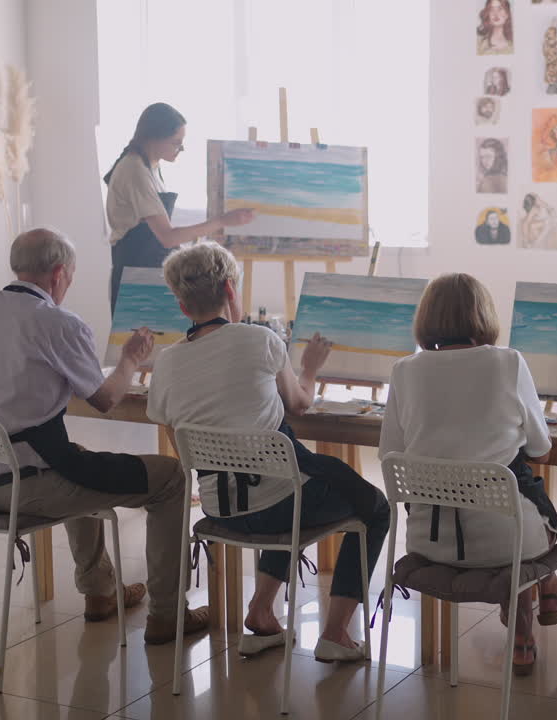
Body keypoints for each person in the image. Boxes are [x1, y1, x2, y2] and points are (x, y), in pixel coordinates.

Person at [0, 228, 209, 644]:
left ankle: (100, 592)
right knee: (171, 478)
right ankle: (167, 612)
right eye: (70, 276)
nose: (68, 284)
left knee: (79, 455)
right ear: (58, 274)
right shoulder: (56, 321)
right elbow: (105, 399)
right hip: (30, 487)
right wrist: (129, 358)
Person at [146, 241, 391, 661]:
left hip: (220, 509)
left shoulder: (167, 362)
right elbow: (298, 403)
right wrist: (311, 367)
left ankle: (261, 611)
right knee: (374, 507)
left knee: (291, 480)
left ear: (182, 307)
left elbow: (178, 441)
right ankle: (335, 633)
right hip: (279, 504)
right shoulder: (260, 339)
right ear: (230, 288)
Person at [378, 273, 557, 676]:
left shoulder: (404, 371)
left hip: (428, 541)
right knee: (527, 512)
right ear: (484, 315)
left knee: (510, 513)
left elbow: (390, 456)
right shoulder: (507, 362)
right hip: (507, 542)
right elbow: (542, 451)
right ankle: (544, 600)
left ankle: (543, 606)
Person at [103, 102, 255, 314]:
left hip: (149, 270)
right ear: (154, 137)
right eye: (176, 142)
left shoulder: (151, 166)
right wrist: (222, 221)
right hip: (136, 274)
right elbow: (167, 237)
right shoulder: (135, 170)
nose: (181, 148)